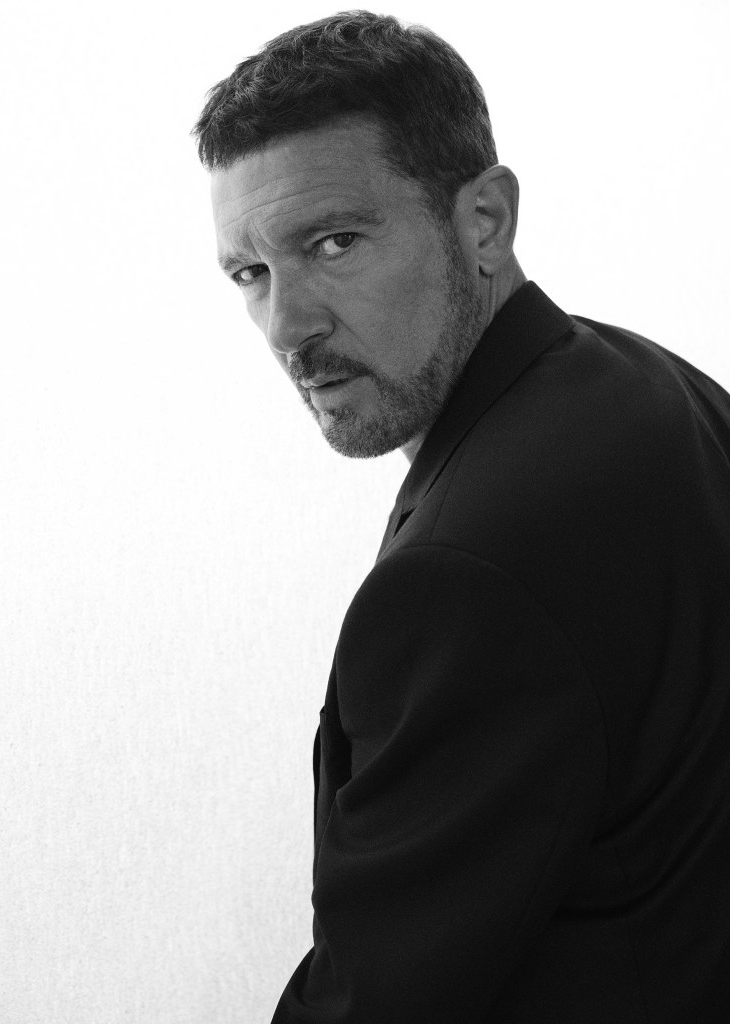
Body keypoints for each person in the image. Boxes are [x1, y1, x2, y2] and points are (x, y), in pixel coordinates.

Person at [193, 11, 730, 1022]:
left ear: (484, 220)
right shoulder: (660, 390)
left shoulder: (465, 573)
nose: (287, 326)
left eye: (334, 242)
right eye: (250, 274)